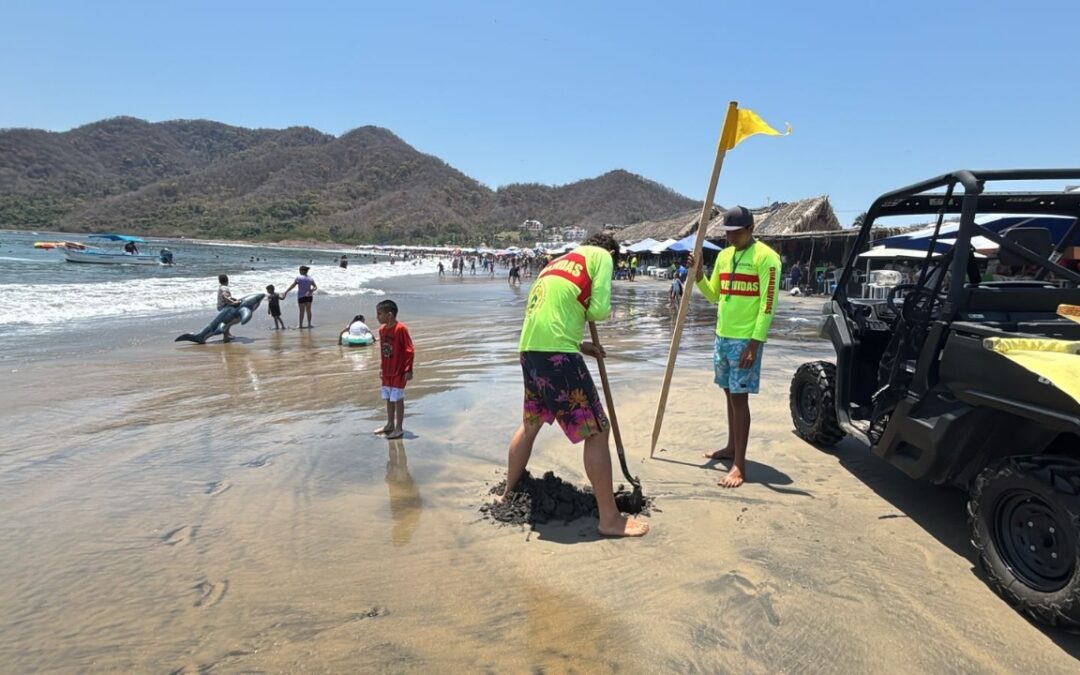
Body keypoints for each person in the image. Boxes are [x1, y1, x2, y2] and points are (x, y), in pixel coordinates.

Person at [499, 232, 649, 537]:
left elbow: (550, 315)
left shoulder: (553, 263)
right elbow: (599, 310)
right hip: (557, 353)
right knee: (597, 429)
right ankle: (609, 518)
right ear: (611, 252)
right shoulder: (602, 257)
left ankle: (507, 492)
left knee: (531, 423)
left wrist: (580, 345)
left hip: (530, 350)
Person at [690, 205, 781, 488]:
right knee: (729, 394)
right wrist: (698, 276)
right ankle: (731, 447)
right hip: (722, 336)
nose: (731, 238)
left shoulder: (767, 258)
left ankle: (739, 465)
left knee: (740, 399)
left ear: (751, 229)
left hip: (745, 340)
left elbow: (768, 305)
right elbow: (715, 296)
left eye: (737, 234)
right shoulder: (724, 256)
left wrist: (754, 343)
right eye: (727, 234)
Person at [373, 300, 414, 440]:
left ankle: (399, 428)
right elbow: (382, 351)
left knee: (398, 399)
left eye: (379, 314)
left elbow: (409, 350)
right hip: (387, 370)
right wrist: (381, 367)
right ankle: (390, 424)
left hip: (399, 370)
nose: (377, 317)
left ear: (389, 315)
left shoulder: (401, 329)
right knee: (388, 398)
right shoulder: (382, 330)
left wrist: (409, 369)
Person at [216, 274, 242, 342]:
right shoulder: (225, 288)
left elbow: (228, 297)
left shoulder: (221, 287)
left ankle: (228, 333)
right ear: (227, 280)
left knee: (229, 320)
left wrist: (235, 299)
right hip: (224, 307)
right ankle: (225, 336)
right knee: (227, 321)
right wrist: (233, 303)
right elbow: (225, 297)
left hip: (220, 305)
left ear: (219, 281)